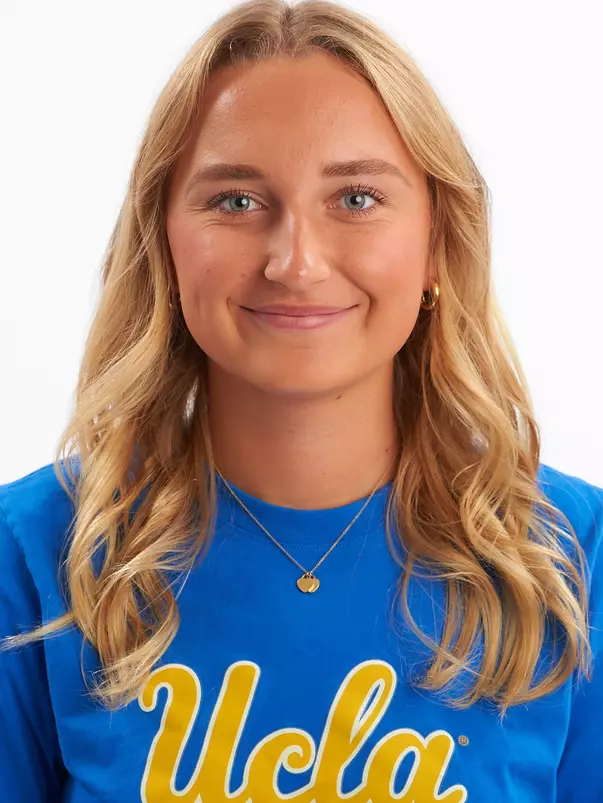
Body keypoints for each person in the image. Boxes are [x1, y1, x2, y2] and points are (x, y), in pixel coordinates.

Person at [1, 0, 602, 800]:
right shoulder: (36, 555)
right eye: (236, 201)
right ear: (163, 244)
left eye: (355, 198)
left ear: (435, 243)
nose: (295, 261)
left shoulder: (570, 560)